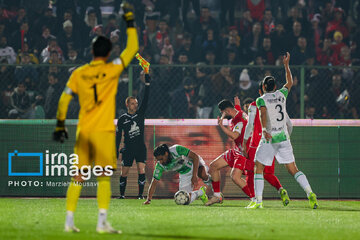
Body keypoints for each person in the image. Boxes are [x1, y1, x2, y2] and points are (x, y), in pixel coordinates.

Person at [52, 3, 138, 233]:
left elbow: (64, 99)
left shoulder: (79, 73)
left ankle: (69, 222)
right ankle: (101, 223)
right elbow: (132, 48)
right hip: (104, 133)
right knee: (103, 179)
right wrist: (128, 19)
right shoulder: (113, 69)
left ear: (92, 52)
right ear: (108, 53)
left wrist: (60, 123)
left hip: (84, 131)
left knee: (77, 178)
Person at [249, 52, 318, 209]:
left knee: (258, 167)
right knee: (293, 169)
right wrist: (286, 65)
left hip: (269, 138)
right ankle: (310, 193)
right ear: (275, 86)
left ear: (264, 87)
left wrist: (265, 129)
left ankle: (258, 201)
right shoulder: (282, 94)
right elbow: (290, 82)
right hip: (284, 138)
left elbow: (263, 114)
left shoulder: (261, 99)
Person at [240, 83, 292, 209]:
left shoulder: (254, 105)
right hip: (272, 141)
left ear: (260, 90)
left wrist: (245, 143)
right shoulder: (276, 103)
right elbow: (288, 123)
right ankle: (281, 190)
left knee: (251, 173)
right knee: (268, 173)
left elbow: (250, 125)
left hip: (256, 144)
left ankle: (255, 200)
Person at [205, 98, 254, 206]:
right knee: (213, 166)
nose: (222, 115)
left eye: (222, 112)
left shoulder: (238, 121)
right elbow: (236, 109)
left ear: (227, 111)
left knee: (235, 176)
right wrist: (237, 105)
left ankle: (254, 199)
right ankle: (217, 196)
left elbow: (234, 135)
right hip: (237, 151)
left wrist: (221, 126)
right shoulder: (237, 112)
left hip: (243, 153)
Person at [116, 54, 150, 200]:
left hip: (140, 147)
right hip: (128, 148)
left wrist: (147, 75)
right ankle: (122, 195)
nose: (135, 105)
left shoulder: (140, 114)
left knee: (141, 170)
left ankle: (140, 196)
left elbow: (147, 95)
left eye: (136, 103)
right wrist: (115, 152)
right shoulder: (122, 119)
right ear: (127, 105)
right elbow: (118, 136)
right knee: (124, 172)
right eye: (132, 103)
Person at [143, 144, 210, 205]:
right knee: (184, 200)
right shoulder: (160, 166)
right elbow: (154, 182)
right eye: (158, 160)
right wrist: (148, 200)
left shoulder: (176, 149)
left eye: (161, 159)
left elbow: (195, 157)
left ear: (166, 153)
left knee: (203, 175)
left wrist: (194, 175)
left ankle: (216, 192)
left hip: (193, 163)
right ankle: (201, 192)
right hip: (184, 173)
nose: (160, 162)